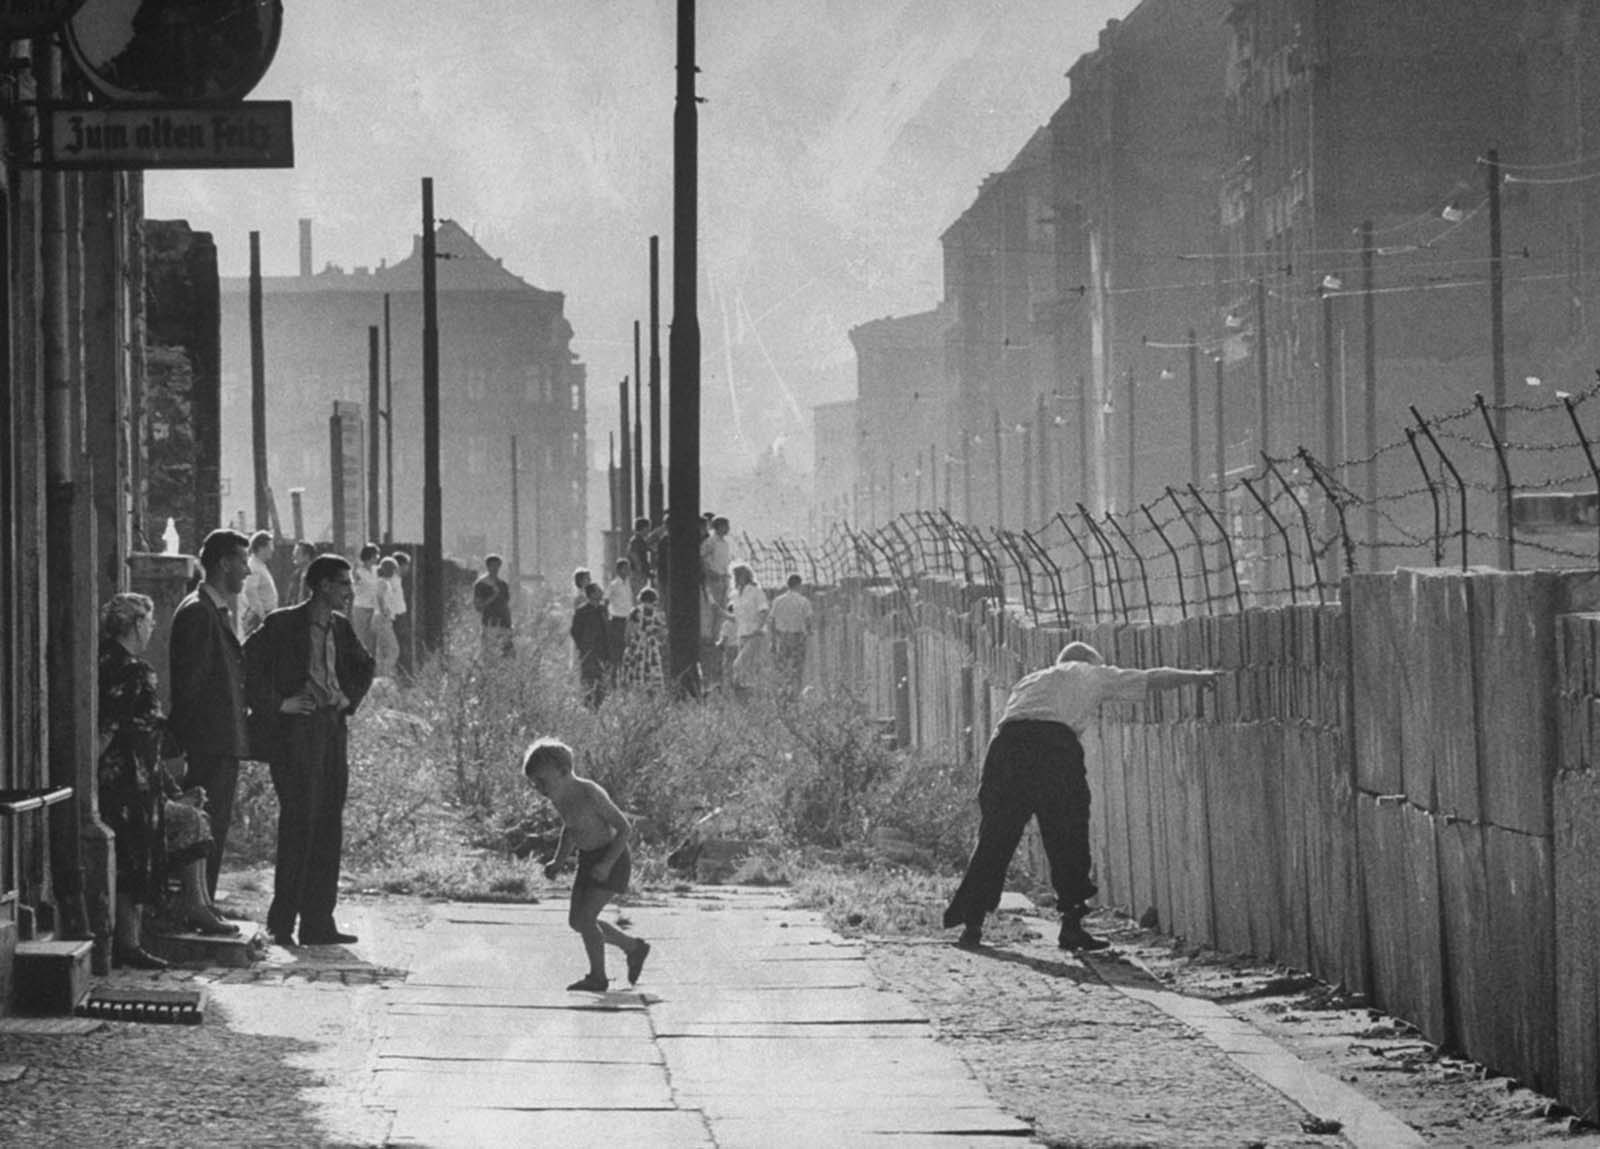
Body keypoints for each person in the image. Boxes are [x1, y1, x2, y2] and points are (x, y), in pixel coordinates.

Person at [943, 641, 1218, 951]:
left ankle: (972, 924)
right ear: (1091, 660)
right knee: (1068, 837)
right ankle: (1071, 926)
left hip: (1006, 747)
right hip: (1053, 747)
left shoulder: (1031, 679)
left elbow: (1009, 724)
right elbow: (1152, 677)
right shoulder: (1092, 673)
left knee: (995, 837)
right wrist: (1195, 677)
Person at [244, 554, 376, 948]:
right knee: (299, 821)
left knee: (328, 824)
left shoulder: (340, 626)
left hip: (331, 731)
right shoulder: (283, 624)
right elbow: (246, 664)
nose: (350, 591)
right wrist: (276, 703)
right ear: (321, 586)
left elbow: (365, 666)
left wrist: (346, 698)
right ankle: (281, 923)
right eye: (343, 584)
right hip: (296, 735)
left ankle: (318, 922)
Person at [99, 594, 236, 969]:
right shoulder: (134, 671)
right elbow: (136, 736)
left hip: (124, 778)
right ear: (137, 625)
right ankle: (133, 940)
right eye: (149, 623)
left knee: (141, 850)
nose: (152, 630)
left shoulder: (101, 661)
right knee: (138, 855)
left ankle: (195, 908)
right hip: (129, 782)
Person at [522, 737, 650, 992]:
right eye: (535, 783)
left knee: (586, 918)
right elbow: (570, 830)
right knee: (578, 922)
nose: (540, 788)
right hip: (588, 860)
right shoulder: (559, 796)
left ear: (564, 772)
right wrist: (558, 861)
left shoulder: (589, 793)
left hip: (612, 858)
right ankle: (633, 948)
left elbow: (624, 828)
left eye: (543, 781)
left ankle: (598, 977)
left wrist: (606, 863)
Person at [168, 527, 252, 902]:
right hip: (210, 744)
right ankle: (198, 908)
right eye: (242, 561)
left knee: (210, 830)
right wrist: (186, 745)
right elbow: (191, 687)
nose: (247, 571)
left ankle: (203, 905)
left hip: (217, 741)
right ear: (224, 563)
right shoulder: (199, 613)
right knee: (205, 830)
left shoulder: (208, 609)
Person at [727, 562, 768, 693]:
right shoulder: (734, 595)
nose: (737, 578)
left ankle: (739, 688)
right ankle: (746, 694)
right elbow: (734, 615)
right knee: (748, 666)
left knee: (738, 664)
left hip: (754, 633)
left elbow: (763, 610)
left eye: (739, 575)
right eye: (736, 575)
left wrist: (759, 628)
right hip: (741, 633)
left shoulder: (756, 591)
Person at [768, 573, 813, 688]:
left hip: (782, 637)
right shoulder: (804, 601)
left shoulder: (777, 601)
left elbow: (772, 622)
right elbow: (808, 621)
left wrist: (772, 641)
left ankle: (782, 690)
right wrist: (809, 631)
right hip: (797, 637)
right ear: (799, 585)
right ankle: (795, 691)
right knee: (797, 668)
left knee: (782, 667)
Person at [570, 581, 609, 709]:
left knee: (601, 680)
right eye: (598, 590)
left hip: (602, 650)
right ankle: (588, 706)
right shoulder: (582, 611)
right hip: (588, 651)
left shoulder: (602, 610)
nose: (601, 592)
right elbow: (575, 631)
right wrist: (583, 645)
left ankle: (598, 705)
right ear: (592, 594)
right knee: (588, 679)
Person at [619, 586, 666, 692]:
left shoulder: (635, 612)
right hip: (652, 645)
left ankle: (635, 693)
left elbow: (628, 631)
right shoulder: (658, 614)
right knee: (652, 671)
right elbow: (662, 633)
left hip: (637, 644)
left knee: (635, 670)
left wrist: (628, 645)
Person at [240, 529, 279, 636]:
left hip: (264, 615)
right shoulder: (254, 566)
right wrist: (263, 617)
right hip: (258, 618)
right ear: (261, 548)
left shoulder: (259, 565)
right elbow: (250, 591)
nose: (272, 550)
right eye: (270, 546)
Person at [700, 515, 731, 642]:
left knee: (721, 608)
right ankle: (707, 636)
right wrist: (709, 572)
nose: (728, 528)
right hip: (713, 578)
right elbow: (701, 557)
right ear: (718, 526)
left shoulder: (725, 543)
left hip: (724, 578)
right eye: (725, 526)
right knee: (711, 607)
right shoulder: (710, 542)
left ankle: (716, 635)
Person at [474, 553, 513, 655]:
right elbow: (478, 606)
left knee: (507, 655)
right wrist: (493, 596)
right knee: (489, 654)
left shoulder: (503, 584)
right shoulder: (481, 584)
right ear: (488, 566)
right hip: (489, 623)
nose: (495, 568)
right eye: (492, 565)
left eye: (497, 565)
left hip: (505, 624)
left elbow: (506, 603)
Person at [372, 556, 402, 679]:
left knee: (383, 650)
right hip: (382, 619)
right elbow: (379, 596)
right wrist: (384, 611)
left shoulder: (385, 582)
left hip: (381, 619)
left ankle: (381, 675)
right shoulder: (382, 582)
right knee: (394, 649)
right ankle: (385, 674)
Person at [349, 543, 382, 653]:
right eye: (376, 555)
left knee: (372, 639)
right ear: (370, 556)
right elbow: (354, 588)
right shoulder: (358, 571)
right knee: (360, 638)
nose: (377, 557)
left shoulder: (376, 570)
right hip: (360, 607)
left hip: (374, 608)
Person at [605, 559, 634, 678]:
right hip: (617, 621)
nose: (628, 571)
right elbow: (606, 600)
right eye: (625, 568)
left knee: (627, 651)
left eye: (628, 568)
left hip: (628, 620)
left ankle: (624, 679)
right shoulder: (614, 584)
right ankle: (613, 679)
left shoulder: (628, 583)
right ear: (619, 570)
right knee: (617, 652)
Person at [285, 540, 317, 606]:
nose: (294, 556)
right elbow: (290, 598)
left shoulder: (317, 576)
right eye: (294, 553)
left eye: (297, 553)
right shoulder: (296, 575)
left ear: (307, 556)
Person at [626, 518, 653, 593]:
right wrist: (640, 570)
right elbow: (633, 555)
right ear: (643, 528)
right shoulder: (636, 540)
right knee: (638, 593)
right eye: (648, 527)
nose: (649, 530)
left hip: (639, 573)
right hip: (638, 574)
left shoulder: (639, 540)